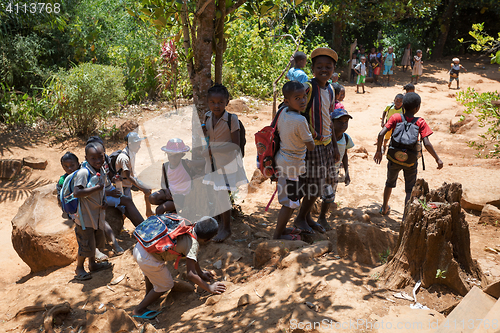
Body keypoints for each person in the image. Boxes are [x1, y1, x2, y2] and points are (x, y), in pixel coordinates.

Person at [132, 216, 226, 319]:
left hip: (141, 247)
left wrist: (200, 273)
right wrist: (209, 288)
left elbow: (193, 256)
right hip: (148, 259)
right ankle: (139, 309)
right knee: (166, 285)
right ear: (207, 240)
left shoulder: (187, 225)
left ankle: (149, 295)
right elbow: (190, 275)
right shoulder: (193, 244)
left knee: (151, 274)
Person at [374, 93, 443, 215]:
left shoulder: (396, 117)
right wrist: (437, 159)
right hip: (410, 161)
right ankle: (406, 216)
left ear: (403, 106)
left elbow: (381, 134)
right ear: (417, 108)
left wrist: (379, 151)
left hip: (393, 158)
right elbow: (426, 143)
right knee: (409, 190)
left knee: (389, 183)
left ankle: (384, 207)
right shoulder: (420, 122)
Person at [295, 47, 340, 234]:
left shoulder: (330, 89)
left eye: (328, 67)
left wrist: (335, 146)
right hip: (313, 146)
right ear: (312, 69)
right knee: (314, 185)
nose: (324, 70)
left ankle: (306, 217)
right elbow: (295, 109)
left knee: (319, 184)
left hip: (327, 145)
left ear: (333, 69)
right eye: (319, 66)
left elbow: (329, 119)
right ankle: (300, 219)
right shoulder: (308, 87)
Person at [202, 84, 248, 242]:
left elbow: (235, 146)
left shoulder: (231, 119)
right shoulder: (207, 117)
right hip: (212, 163)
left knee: (222, 194)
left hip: (226, 164)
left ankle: (226, 228)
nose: (217, 105)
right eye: (213, 102)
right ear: (208, 102)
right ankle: (220, 225)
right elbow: (208, 136)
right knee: (216, 194)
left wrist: (213, 149)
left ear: (227, 102)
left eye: (220, 102)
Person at [274, 81, 315, 241]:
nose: (303, 100)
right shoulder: (300, 121)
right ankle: (277, 235)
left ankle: (283, 229)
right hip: (292, 167)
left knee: (290, 200)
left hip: (282, 161)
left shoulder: (282, 112)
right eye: (297, 98)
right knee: (290, 203)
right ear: (287, 101)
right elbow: (310, 146)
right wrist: (312, 136)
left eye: (304, 96)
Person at [72, 142, 114, 281]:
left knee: (95, 242)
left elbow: (102, 189)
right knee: (85, 244)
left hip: (97, 215)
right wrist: (96, 189)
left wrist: (104, 201)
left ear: (104, 155)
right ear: (86, 158)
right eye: (93, 158)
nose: (97, 161)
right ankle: (79, 268)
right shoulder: (84, 172)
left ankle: (93, 264)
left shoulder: (102, 170)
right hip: (85, 217)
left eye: (100, 157)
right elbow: (77, 192)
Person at [149, 138, 204, 215]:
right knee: (152, 198)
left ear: (182, 155)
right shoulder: (166, 166)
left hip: (182, 196)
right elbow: (163, 183)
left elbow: (203, 162)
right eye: (170, 155)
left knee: (159, 209)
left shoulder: (186, 164)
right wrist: (167, 191)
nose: (173, 158)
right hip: (171, 193)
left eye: (176, 155)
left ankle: (166, 218)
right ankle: (172, 207)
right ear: (167, 155)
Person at [320, 108, 355, 229]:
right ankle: (319, 217)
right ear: (332, 123)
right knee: (321, 194)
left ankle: (322, 216)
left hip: (335, 172)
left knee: (329, 197)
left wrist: (347, 173)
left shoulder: (345, 138)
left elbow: (345, 156)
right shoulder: (326, 137)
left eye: (346, 122)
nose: (344, 124)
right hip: (323, 171)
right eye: (340, 122)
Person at [116, 132, 154, 218]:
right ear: (130, 144)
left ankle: (149, 211)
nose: (139, 147)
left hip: (131, 180)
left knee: (148, 189)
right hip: (124, 184)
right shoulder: (124, 158)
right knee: (127, 207)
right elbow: (128, 177)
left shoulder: (132, 151)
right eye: (137, 145)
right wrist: (142, 188)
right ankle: (120, 226)